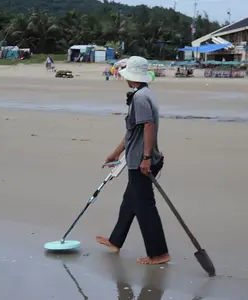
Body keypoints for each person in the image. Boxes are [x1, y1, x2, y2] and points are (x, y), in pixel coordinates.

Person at [96, 56, 171, 265]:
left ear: (131, 77)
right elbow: (133, 131)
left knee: (144, 206)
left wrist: (146, 158)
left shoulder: (140, 98)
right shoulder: (144, 93)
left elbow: (148, 126)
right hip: (138, 157)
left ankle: (159, 253)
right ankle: (115, 240)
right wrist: (116, 153)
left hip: (141, 161)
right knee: (130, 201)